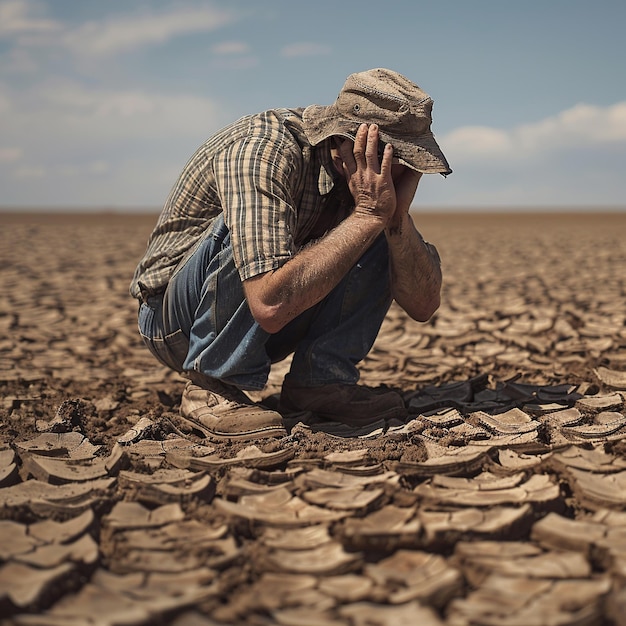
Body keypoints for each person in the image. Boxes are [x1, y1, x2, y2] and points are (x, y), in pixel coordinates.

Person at [130, 68, 451, 441]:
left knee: (374, 232)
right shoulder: (264, 149)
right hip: (175, 320)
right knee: (258, 231)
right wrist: (366, 215)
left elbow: (424, 305)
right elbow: (269, 303)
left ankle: (319, 383)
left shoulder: (368, 189)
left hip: (268, 322)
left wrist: (394, 221)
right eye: (398, 158)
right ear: (348, 143)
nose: (403, 171)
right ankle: (210, 384)